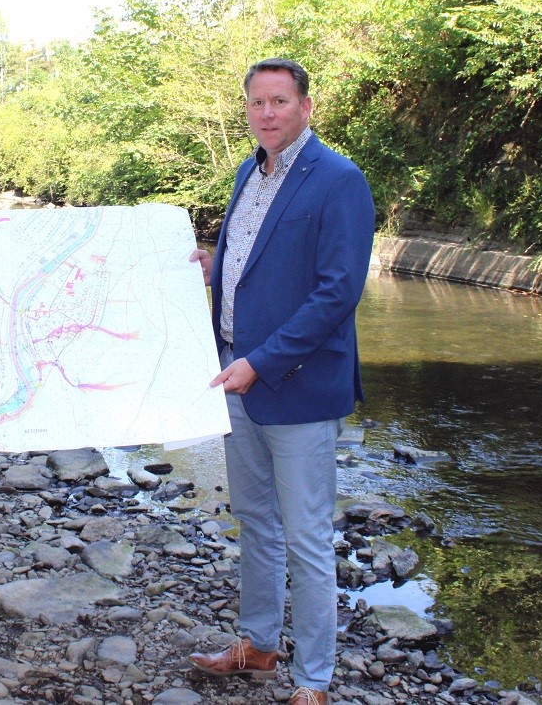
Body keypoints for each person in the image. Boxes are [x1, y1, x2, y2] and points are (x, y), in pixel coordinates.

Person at [187, 58, 375, 705]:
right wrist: (215, 270)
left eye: (279, 101)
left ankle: (314, 681)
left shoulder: (339, 180)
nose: (267, 113)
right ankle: (258, 646)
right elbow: (259, 261)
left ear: (306, 106)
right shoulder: (249, 170)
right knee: (258, 523)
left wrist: (261, 362)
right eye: (256, 103)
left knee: (307, 537)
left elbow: (336, 295)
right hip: (236, 374)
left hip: (291, 385)